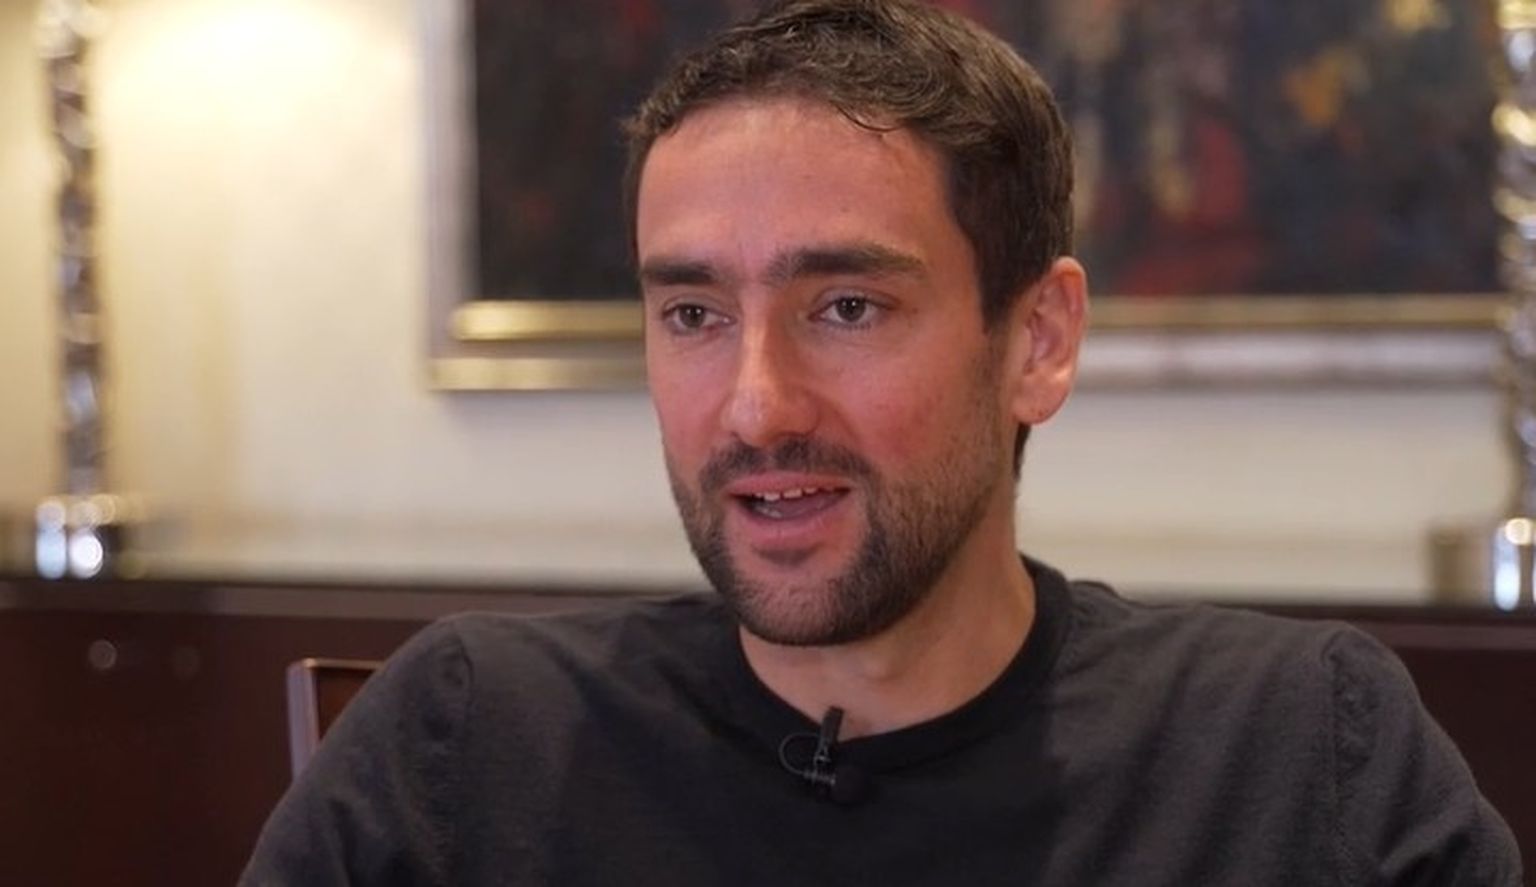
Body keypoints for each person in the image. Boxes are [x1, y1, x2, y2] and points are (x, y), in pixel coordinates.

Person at [241, 1, 1522, 884]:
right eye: (693, 313)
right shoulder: (472, 738)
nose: (756, 408)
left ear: (1037, 340)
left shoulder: (1293, 750)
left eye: (847, 307)